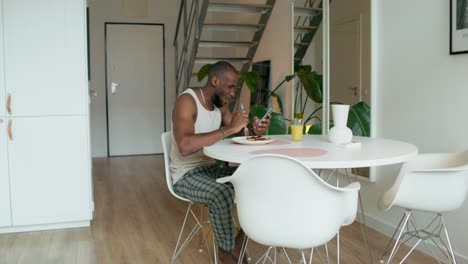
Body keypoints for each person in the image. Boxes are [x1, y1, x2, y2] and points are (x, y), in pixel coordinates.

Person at [170, 61, 271, 264]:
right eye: (230, 87)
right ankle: (226, 254)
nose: (233, 93)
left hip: (210, 170)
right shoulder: (187, 101)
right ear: (215, 81)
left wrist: (254, 129)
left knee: (260, 177)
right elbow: (185, 145)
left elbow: (239, 131)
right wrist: (229, 129)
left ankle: (239, 243)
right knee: (222, 193)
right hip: (186, 175)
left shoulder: (219, 106)